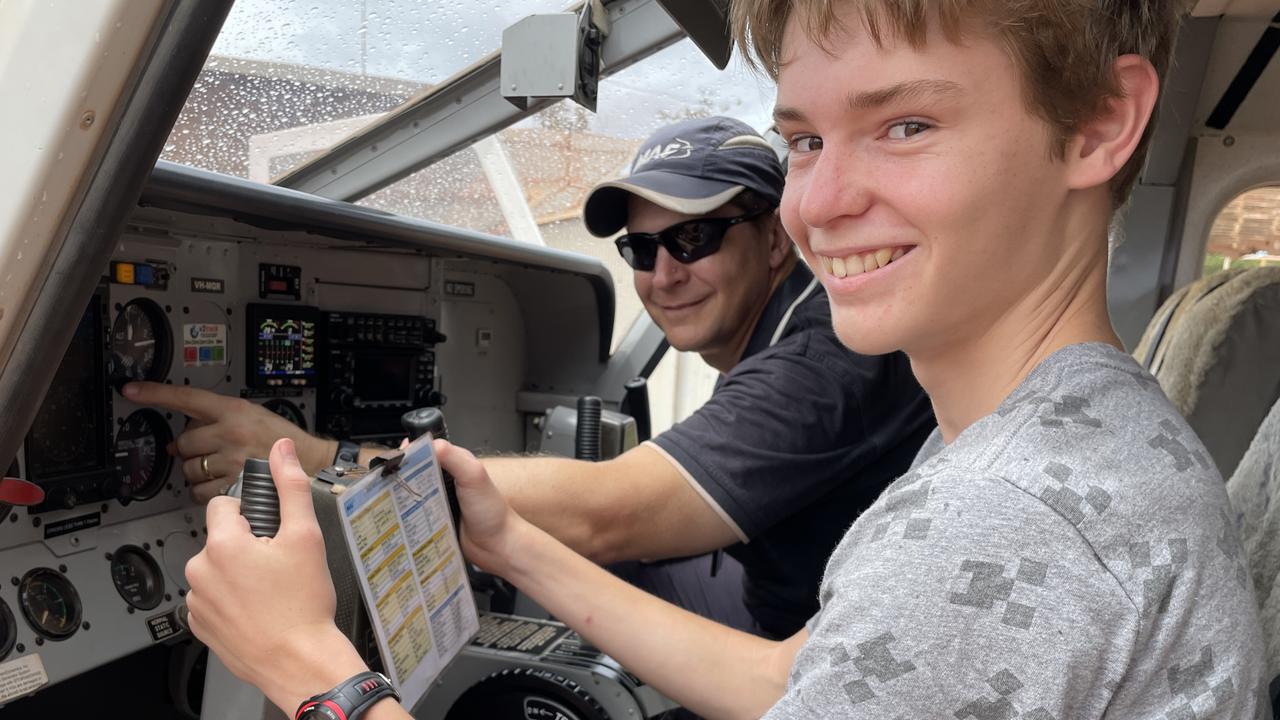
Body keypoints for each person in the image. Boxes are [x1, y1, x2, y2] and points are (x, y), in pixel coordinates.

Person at [179, 1, 1271, 717]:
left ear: (1096, 126)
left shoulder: (1004, 518)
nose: (820, 205)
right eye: (804, 140)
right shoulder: (1064, 429)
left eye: (903, 128)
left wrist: (312, 673)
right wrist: (518, 546)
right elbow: (793, 678)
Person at [126, 116, 934, 639]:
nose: (665, 274)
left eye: (694, 239)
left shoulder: (832, 354)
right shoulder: (792, 329)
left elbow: (614, 513)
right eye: (642, 251)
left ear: (774, 241)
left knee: (572, 545)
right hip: (798, 602)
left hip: (791, 632)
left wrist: (318, 456)